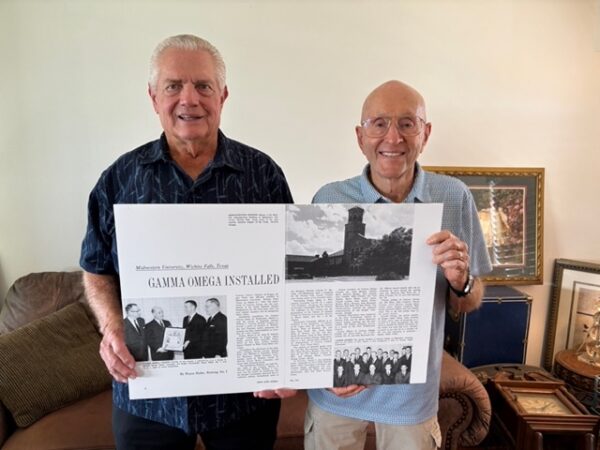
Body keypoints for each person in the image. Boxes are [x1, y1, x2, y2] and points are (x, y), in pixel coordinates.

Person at [80, 34, 294, 450]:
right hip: (148, 397)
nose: (188, 99)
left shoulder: (262, 175)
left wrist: (285, 355)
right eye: (173, 86)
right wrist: (111, 328)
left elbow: (288, 274)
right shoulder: (119, 180)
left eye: (203, 86)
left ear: (223, 95)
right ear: (153, 97)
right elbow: (96, 268)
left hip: (243, 397)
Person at [304, 80, 492, 450]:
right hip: (337, 393)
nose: (393, 137)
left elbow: (471, 301)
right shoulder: (329, 198)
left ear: (426, 133)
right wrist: (317, 370)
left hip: (411, 398)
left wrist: (461, 280)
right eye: (379, 124)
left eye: (408, 123)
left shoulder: (453, 197)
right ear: (361, 136)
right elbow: (312, 306)